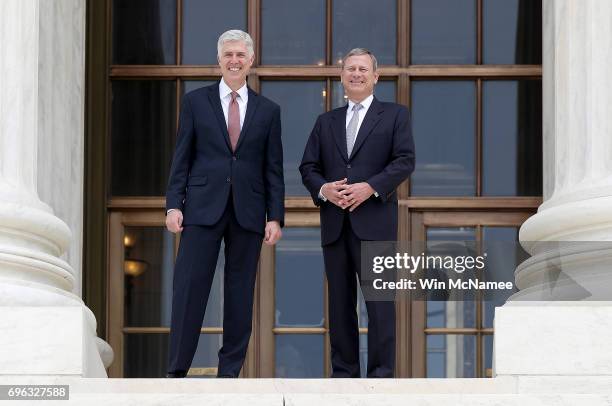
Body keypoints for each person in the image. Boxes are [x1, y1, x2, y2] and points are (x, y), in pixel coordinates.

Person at [165, 29, 284, 378]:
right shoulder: (194, 102)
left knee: (240, 294)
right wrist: (174, 204)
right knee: (190, 288)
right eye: (228, 54)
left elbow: (273, 168)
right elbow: (181, 158)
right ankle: (176, 371)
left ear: (250, 61)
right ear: (218, 60)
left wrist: (275, 216)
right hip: (201, 208)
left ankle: (229, 373)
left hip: (247, 212)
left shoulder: (268, 110)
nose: (234, 60)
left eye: (240, 55)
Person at [300, 48, 415, 378]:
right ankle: (344, 373)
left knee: (380, 305)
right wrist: (324, 190)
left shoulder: (395, 115)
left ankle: (381, 375)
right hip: (335, 225)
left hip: (376, 223)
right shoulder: (326, 122)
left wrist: (370, 187)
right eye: (350, 69)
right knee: (339, 304)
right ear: (341, 77)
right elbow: (308, 167)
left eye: (363, 69)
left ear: (376, 76)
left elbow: (404, 160)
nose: (356, 74)